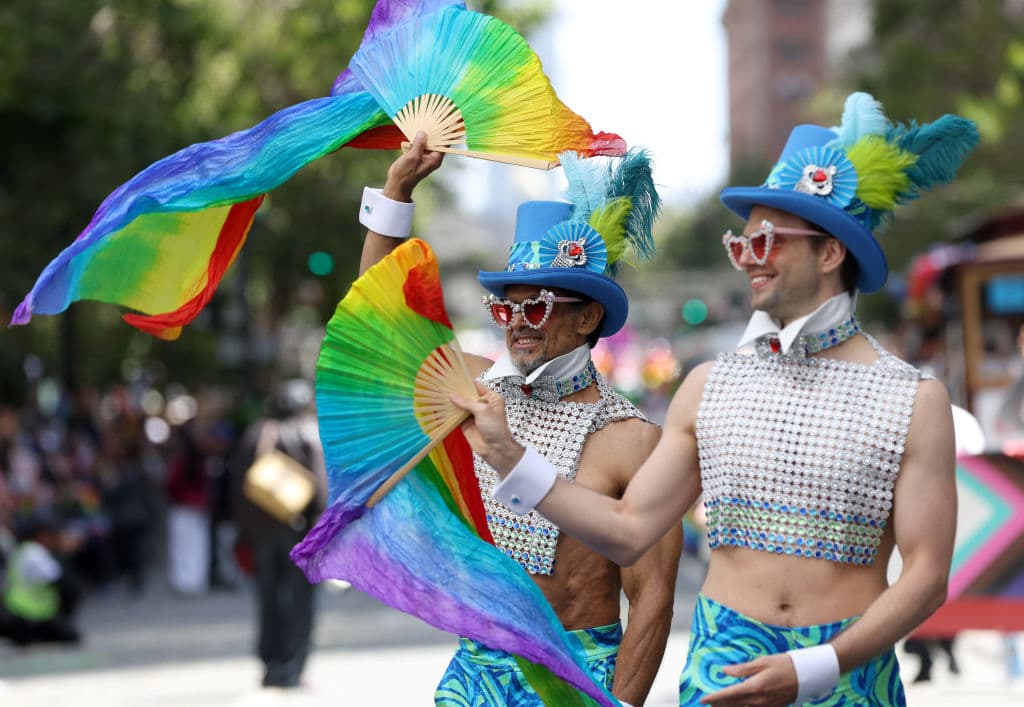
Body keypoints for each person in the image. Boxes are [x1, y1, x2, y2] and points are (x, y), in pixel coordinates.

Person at [454, 93, 978, 706]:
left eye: (768, 242)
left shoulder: (914, 400)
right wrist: (513, 459)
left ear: (832, 252)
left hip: (849, 675)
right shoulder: (708, 385)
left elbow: (926, 577)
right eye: (742, 244)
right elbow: (627, 530)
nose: (749, 260)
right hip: (722, 666)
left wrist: (817, 667)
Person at [358, 135, 682, 706]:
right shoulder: (474, 391)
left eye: (537, 307)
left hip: (575, 672)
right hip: (478, 663)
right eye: (507, 308)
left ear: (588, 318)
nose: (518, 323)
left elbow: (652, 597)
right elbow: (383, 331)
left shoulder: (632, 441)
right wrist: (395, 193)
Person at [231, 379, 328, 689]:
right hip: (301, 530)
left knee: (268, 597)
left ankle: (270, 663)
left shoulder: (258, 434)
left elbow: (237, 487)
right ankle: (294, 665)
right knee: (300, 601)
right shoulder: (311, 432)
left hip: (261, 532)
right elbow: (322, 489)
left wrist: (244, 530)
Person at [0, 511, 82, 646]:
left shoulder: (24, 549)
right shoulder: (34, 552)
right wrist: (66, 554)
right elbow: (65, 584)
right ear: (43, 535)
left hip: (17, 613)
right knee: (71, 636)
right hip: (26, 616)